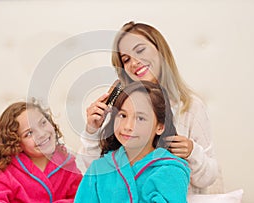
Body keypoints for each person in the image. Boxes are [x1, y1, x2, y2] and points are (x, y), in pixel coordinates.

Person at [80, 21, 222, 194]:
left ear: (160, 50)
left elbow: (209, 178)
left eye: (140, 50)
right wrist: (92, 131)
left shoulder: (190, 107)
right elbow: (91, 174)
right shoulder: (120, 109)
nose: (134, 62)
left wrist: (192, 153)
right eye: (126, 59)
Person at [75, 81, 190, 203]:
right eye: (122, 116)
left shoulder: (171, 171)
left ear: (160, 127)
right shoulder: (98, 169)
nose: (128, 126)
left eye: (140, 118)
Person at [0, 100, 82, 203]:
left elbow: (82, 197)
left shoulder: (67, 164)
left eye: (43, 123)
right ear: (16, 143)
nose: (41, 134)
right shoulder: (4, 170)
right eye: (29, 133)